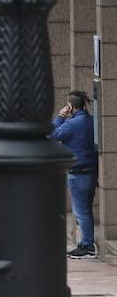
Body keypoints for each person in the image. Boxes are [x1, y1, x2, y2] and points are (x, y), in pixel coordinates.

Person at [52, 91, 99, 258]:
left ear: (70, 106)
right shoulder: (92, 120)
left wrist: (59, 116)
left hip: (78, 172)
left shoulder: (71, 124)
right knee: (86, 209)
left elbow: (52, 135)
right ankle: (86, 242)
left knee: (81, 211)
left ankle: (87, 245)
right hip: (91, 171)